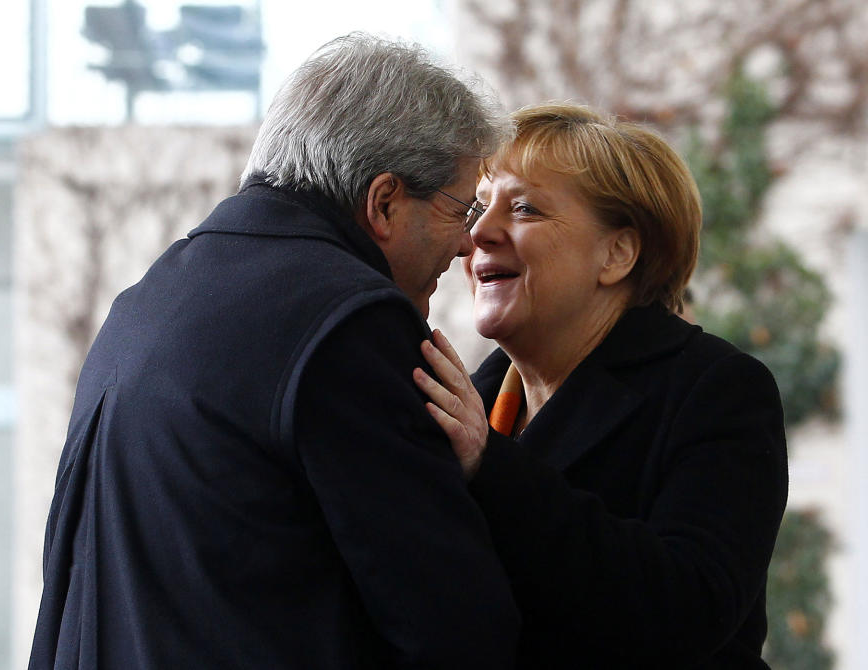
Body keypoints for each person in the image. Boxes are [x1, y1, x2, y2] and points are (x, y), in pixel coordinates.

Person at [28, 34, 519, 670]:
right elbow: (453, 624)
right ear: (385, 202)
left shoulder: (144, 303)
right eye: (462, 209)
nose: (465, 247)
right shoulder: (348, 325)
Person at [414, 103, 789, 668]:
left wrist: (493, 469)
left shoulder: (718, 390)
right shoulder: (474, 400)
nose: (479, 234)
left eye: (524, 208)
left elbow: (688, 609)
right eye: (476, 208)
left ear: (617, 254)